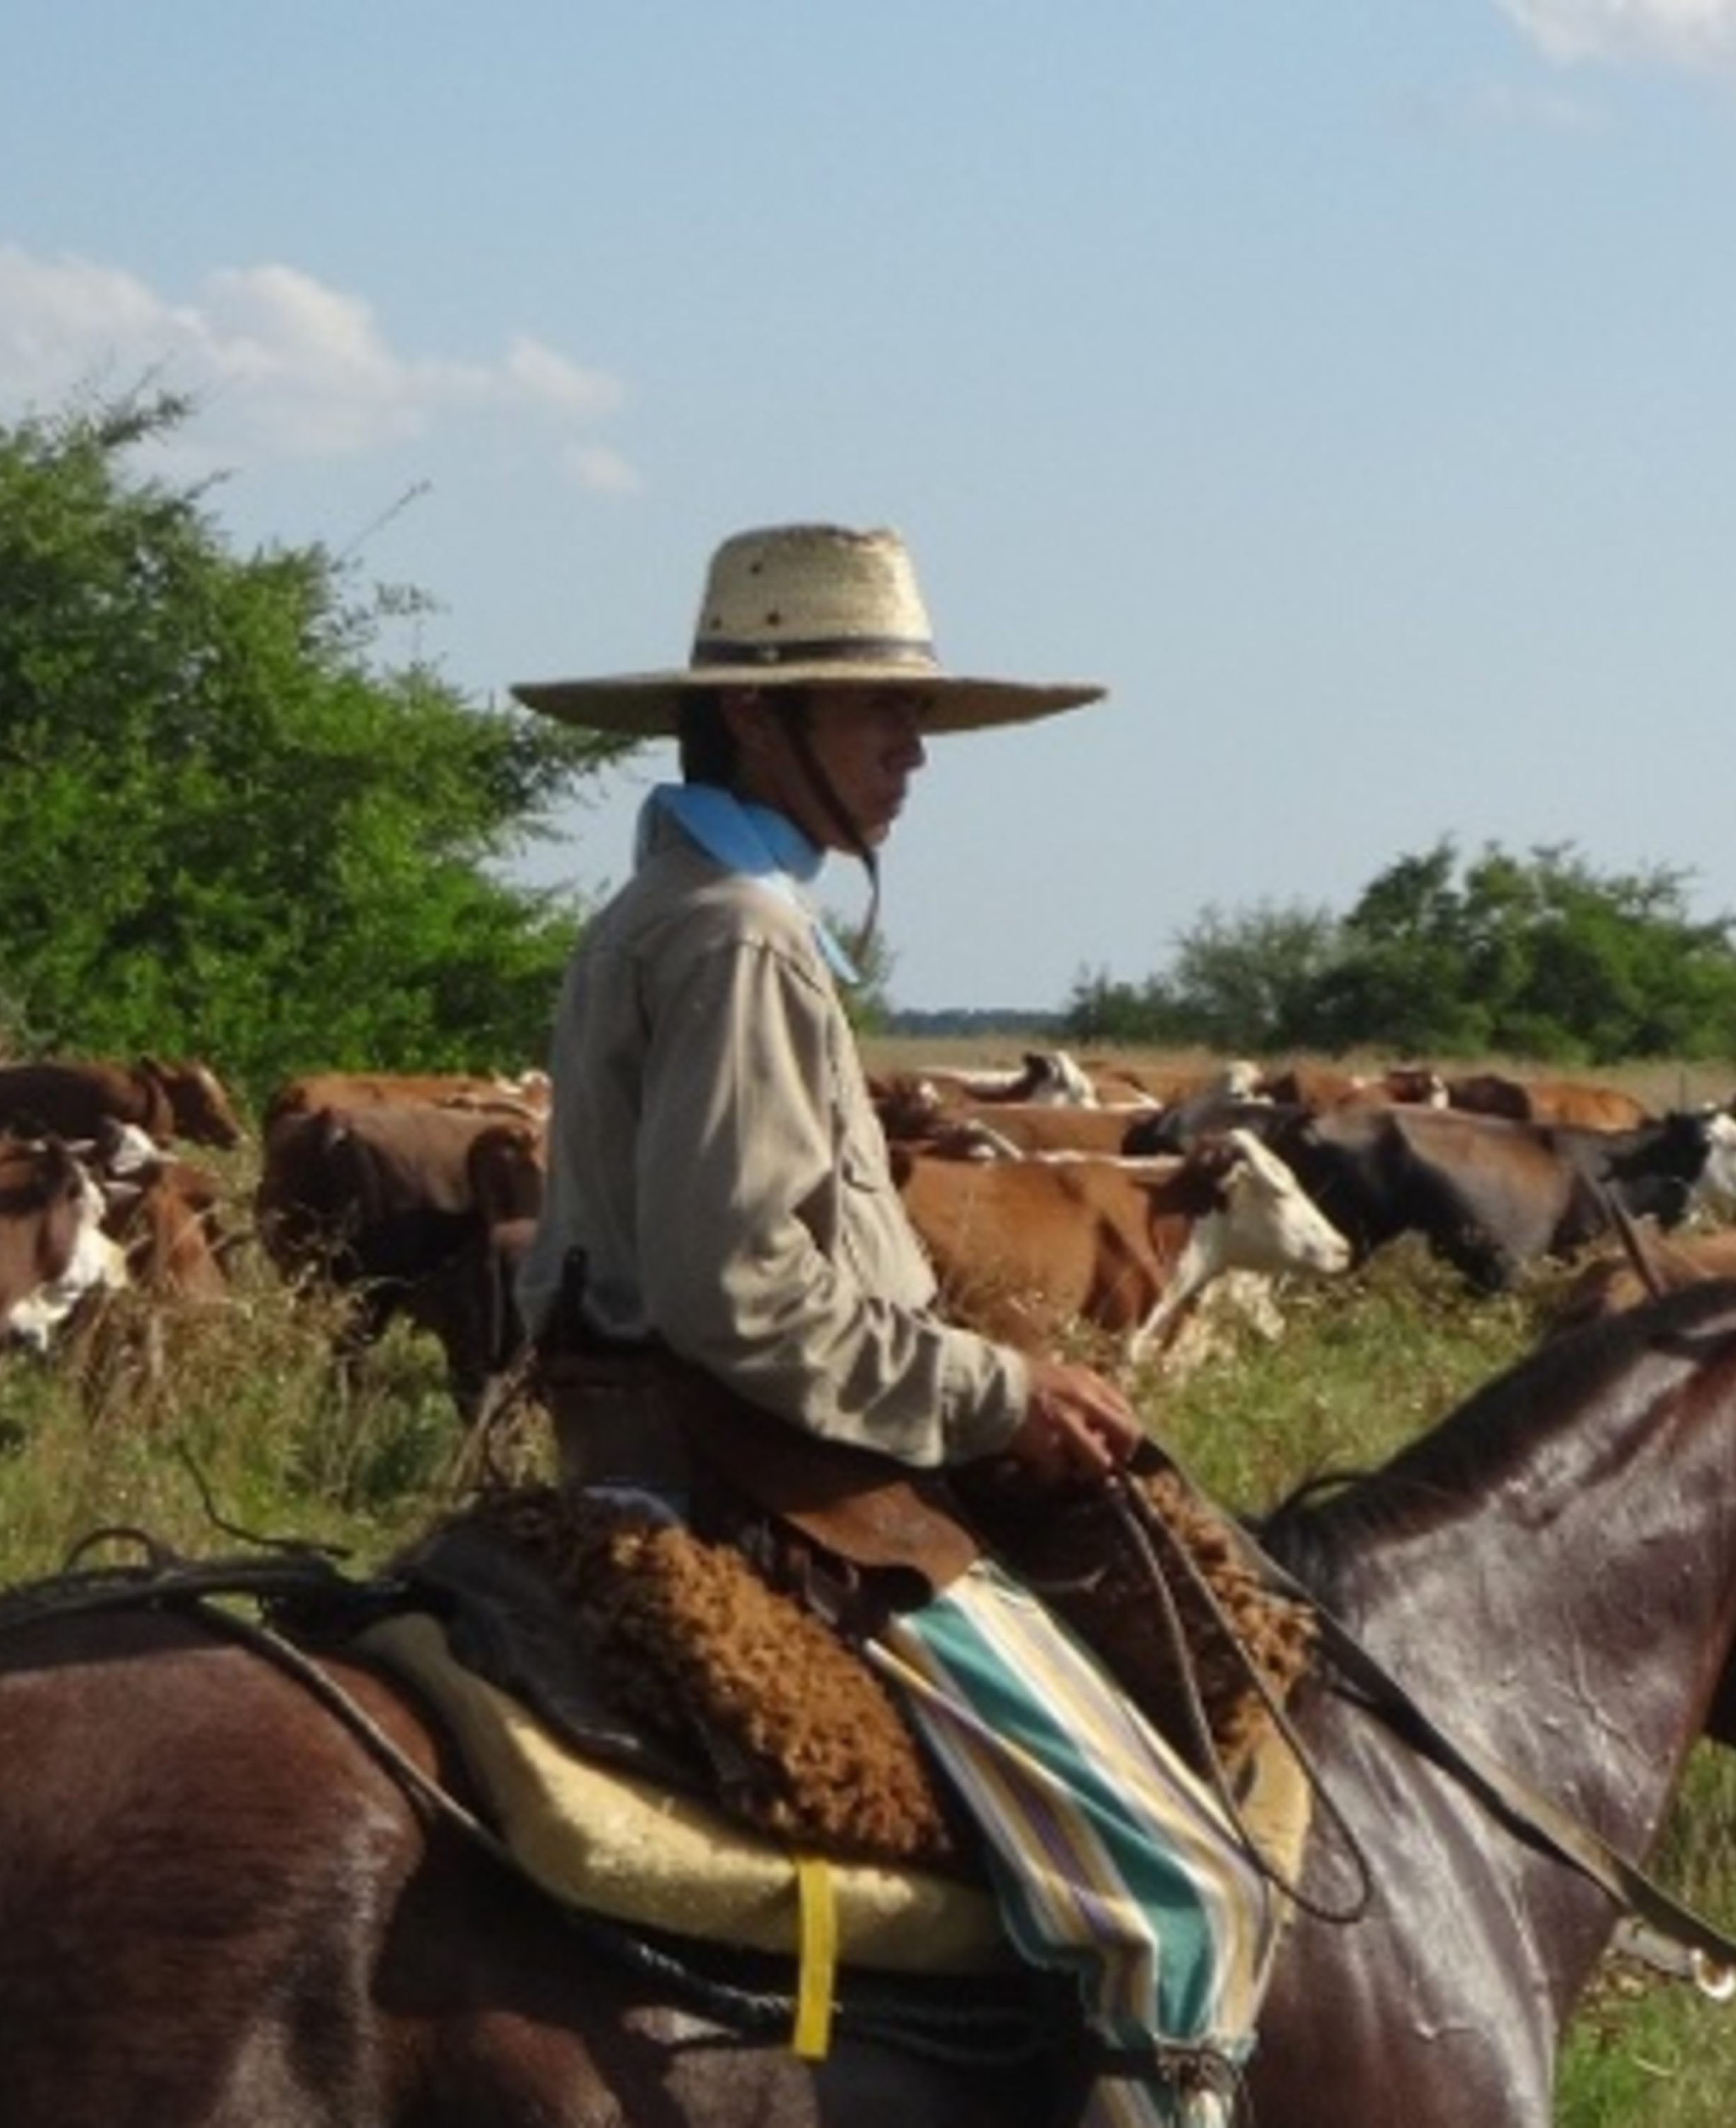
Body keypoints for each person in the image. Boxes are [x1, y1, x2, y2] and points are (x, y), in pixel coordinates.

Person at [511, 522, 1278, 2128]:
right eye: (878, 712)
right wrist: (999, 1391)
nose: (913, 752)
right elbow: (741, 1292)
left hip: (673, 1437)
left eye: (918, 717)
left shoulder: (676, 907)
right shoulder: (739, 934)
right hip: (760, 1482)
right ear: (755, 722)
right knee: (1188, 1888)